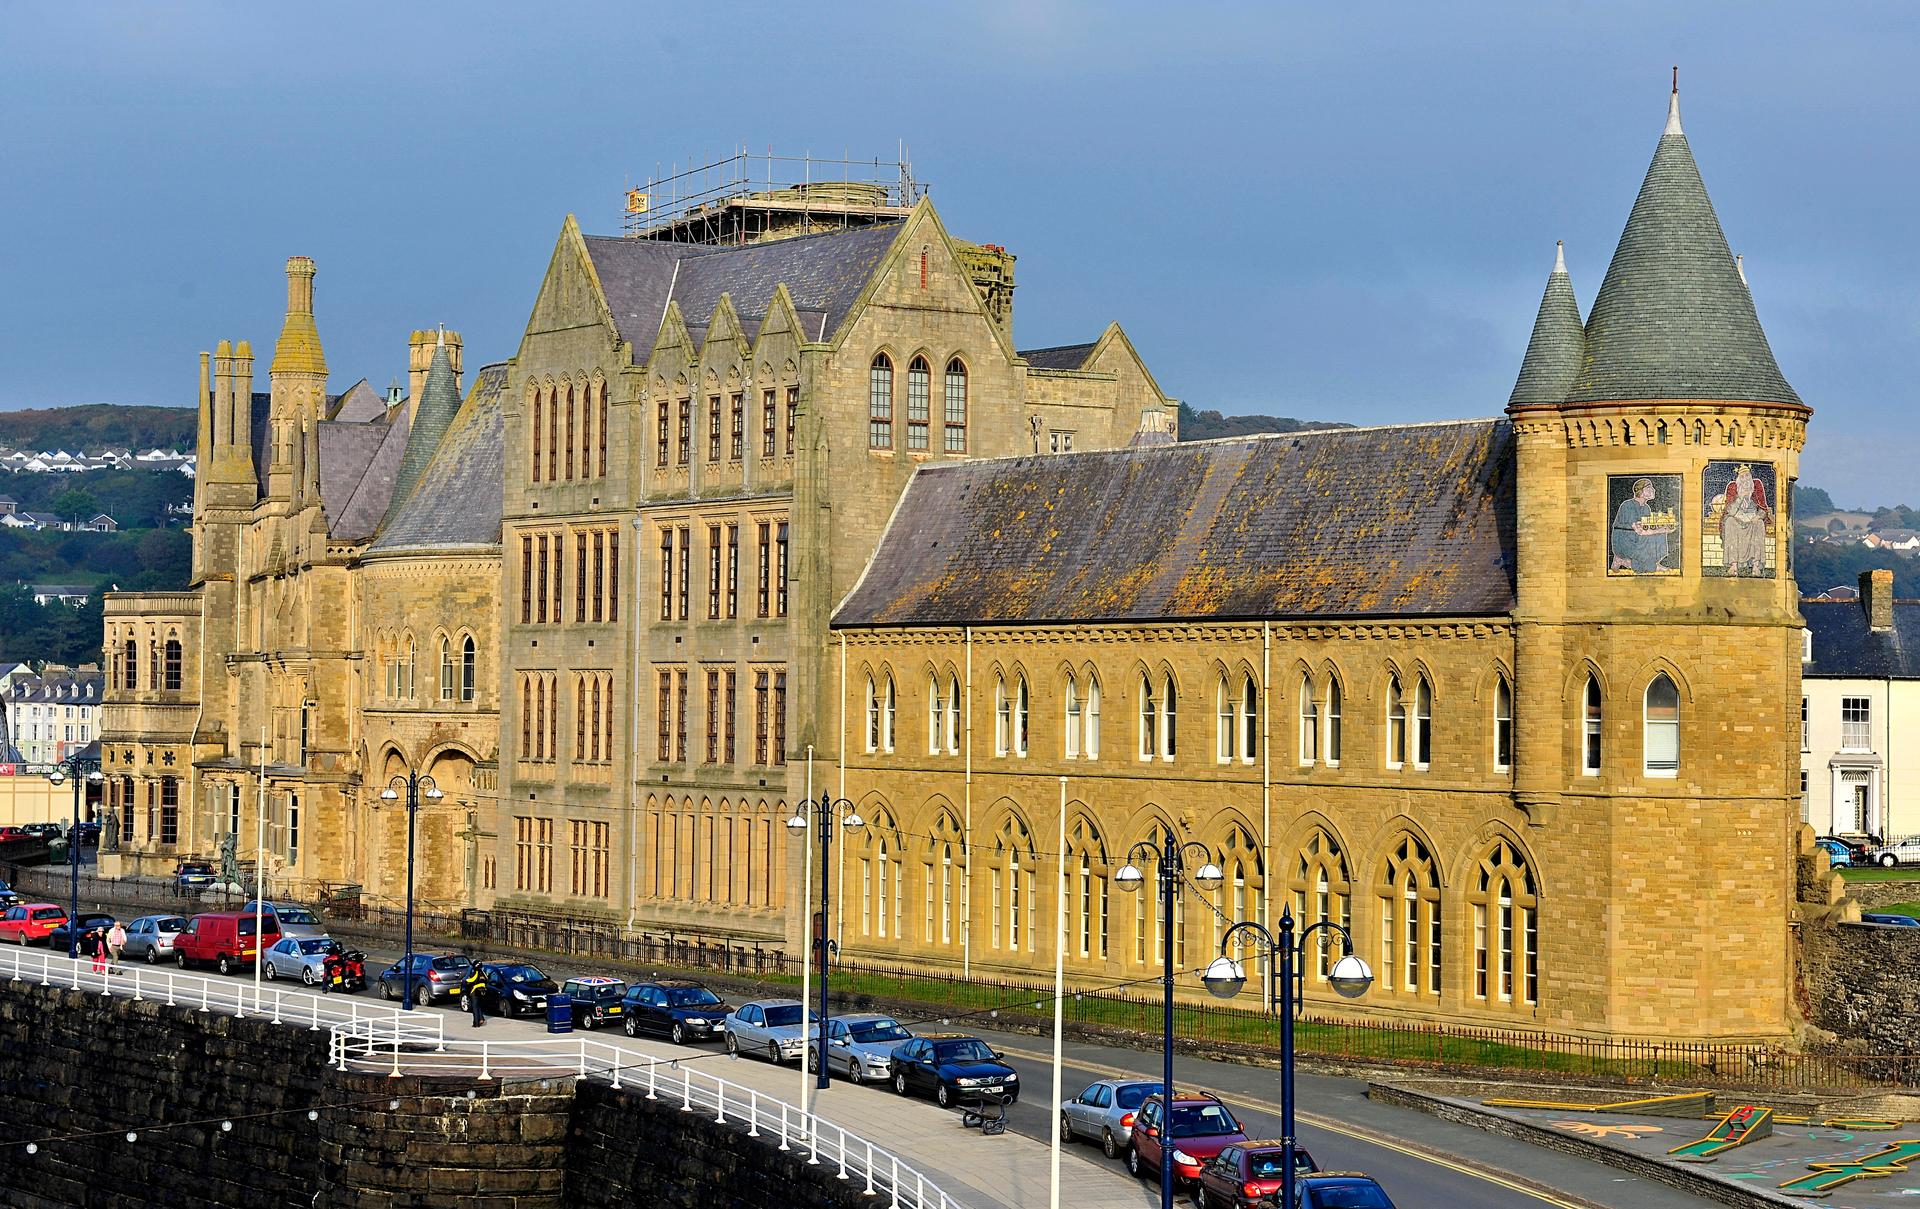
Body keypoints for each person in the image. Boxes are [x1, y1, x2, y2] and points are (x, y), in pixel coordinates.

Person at [1611, 477, 1673, 574]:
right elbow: (1639, 530)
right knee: (1658, 533)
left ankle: (1652, 562)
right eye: (1649, 487)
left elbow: (1646, 527)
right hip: (1625, 541)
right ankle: (1624, 561)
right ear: (1641, 491)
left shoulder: (1646, 508)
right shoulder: (1627, 505)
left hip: (1636, 537)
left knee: (1659, 534)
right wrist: (1662, 530)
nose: (1653, 490)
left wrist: (1662, 527)